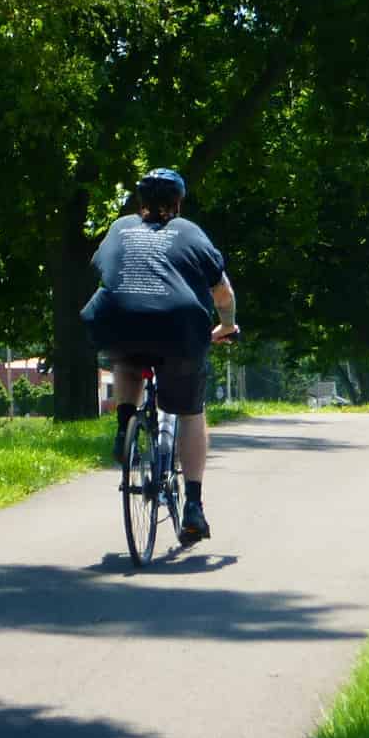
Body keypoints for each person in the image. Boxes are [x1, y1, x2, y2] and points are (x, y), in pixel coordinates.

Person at [82, 167, 239, 544]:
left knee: (126, 358)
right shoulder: (189, 232)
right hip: (178, 330)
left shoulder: (119, 229)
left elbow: (104, 269)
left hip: (117, 321)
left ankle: (125, 427)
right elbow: (223, 295)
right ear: (178, 203)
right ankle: (194, 508)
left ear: (139, 202)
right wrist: (227, 326)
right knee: (189, 412)